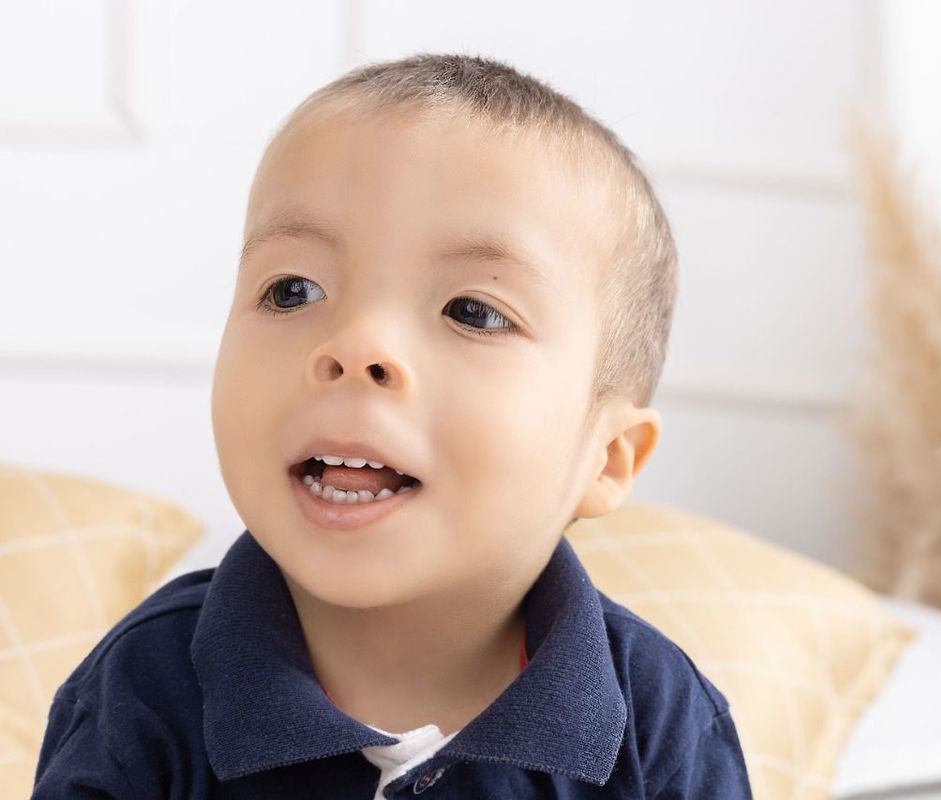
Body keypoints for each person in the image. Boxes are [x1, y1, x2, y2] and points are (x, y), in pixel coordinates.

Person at [32, 53, 753, 799]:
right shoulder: (143, 690)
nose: (354, 347)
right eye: (293, 290)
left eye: (472, 312)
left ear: (606, 458)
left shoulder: (659, 723)